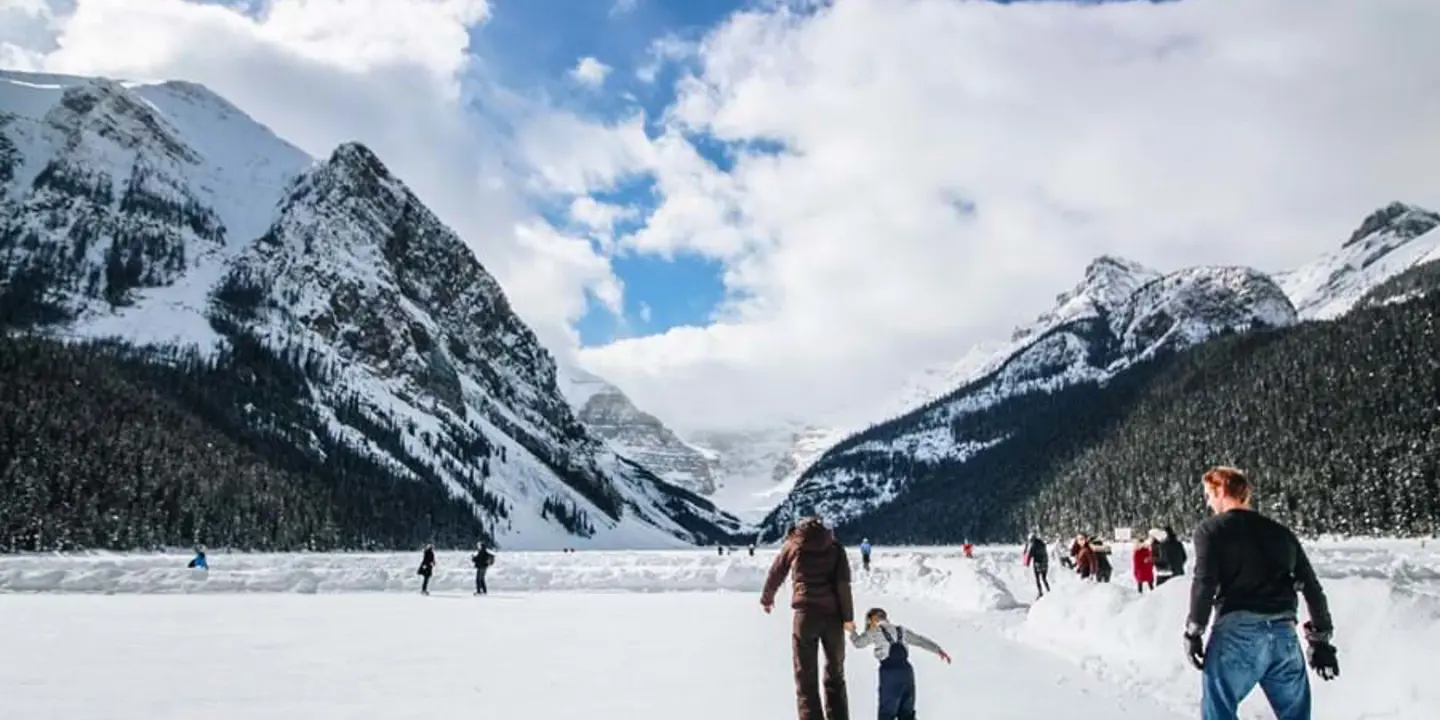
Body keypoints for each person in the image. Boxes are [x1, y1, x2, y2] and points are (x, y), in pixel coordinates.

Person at [1183, 467, 1339, 720]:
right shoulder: (1281, 533)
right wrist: (1321, 639)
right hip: (1283, 636)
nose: (1208, 502)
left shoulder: (1211, 530)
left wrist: (1194, 631)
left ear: (1221, 490)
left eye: (1208, 494)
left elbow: (1204, 582)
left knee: (1219, 712)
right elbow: (1311, 587)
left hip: (1236, 635)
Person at [761, 516, 855, 720]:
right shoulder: (836, 547)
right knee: (835, 675)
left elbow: (776, 572)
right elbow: (843, 585)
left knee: (805, 680)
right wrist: (848, 618)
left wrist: (767, 598)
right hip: (833, 620)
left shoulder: (793, 545)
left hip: (805, 619)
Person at [849, 607, 951, 720]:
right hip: (907, 672)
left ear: (872, 620)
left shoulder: (874, 631)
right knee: (907, 713)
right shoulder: (901, 630)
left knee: (887, 713)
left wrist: (852, 631)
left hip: (890, 673)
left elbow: (858, 643)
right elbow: (920, 640)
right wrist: (938, 650)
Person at [1023, 532, 1050, 597]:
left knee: (1037, 579)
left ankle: (1040, 593)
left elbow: (1029, 555)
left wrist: (1026, 564)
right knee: (1044, 578)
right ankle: (1049, 590)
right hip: (1045, 563)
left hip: (1037, 564)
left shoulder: (1033, 545)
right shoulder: (1042, 543)